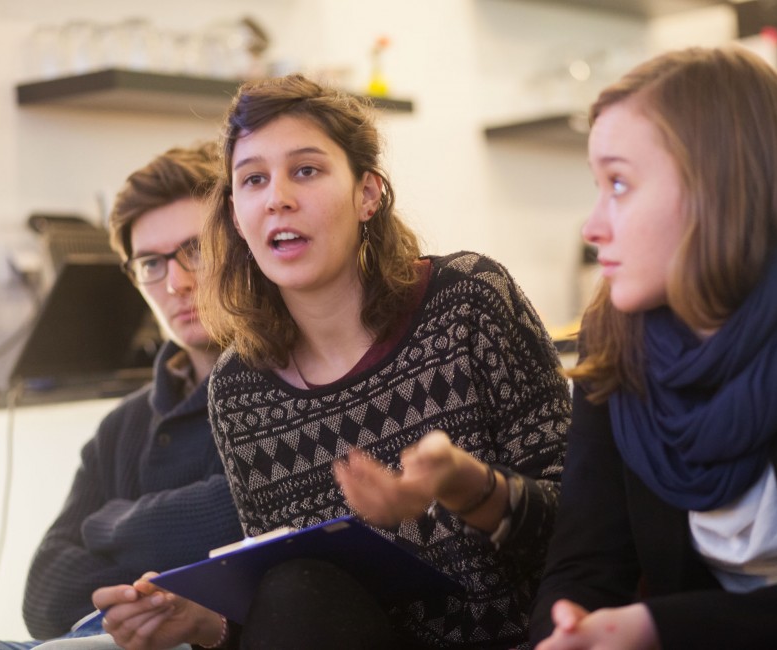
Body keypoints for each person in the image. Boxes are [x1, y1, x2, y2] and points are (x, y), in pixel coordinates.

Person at [91, 74, 572, 650]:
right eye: (253, 180)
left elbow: (581, 531)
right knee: (294, 584)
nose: (278, 198)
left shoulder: (467, 298)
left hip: (535, 638)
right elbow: (301, 609)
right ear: (238, 217)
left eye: (306, 170)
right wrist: (210, 626)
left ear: (367, 194)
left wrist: (467, 488)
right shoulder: (241, 390)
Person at [530, 46, 777, 650]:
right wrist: (566, 636)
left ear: (720, 186)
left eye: (619, 184)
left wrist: (655, 629)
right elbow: (585, 567)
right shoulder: (614, 333)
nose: (592, 226)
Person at [0, 143, 240, 649]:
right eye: (151, 263)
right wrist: (166, 562)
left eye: (195, 249)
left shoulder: (279, 389)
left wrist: (109, 523)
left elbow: (239, 517)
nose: (176, 281)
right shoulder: (124, 424)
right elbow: (43, 590)